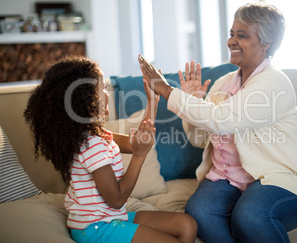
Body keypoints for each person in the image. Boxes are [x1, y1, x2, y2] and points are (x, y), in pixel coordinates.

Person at [139, 0, 297, 243]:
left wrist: (167, 90)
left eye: (242, 35)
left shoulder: (274, 82)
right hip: (229, 178)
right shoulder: (223, 83)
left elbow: (222, 120)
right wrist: (194, 100)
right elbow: (200, 138)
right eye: (232, 33)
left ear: (266, 43)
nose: (232, 41)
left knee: (250, 215)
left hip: (277, 177)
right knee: (199, 213)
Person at [24, 56, 197, 243]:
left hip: (109, 218)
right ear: (85, 99)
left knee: (187, 225)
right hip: (95, 228)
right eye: (103, 88)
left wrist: (152, 102)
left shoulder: (95, 135)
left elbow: (135, 143)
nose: (107, 93)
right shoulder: (91, 146)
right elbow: (116, 199)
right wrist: (139, 156)